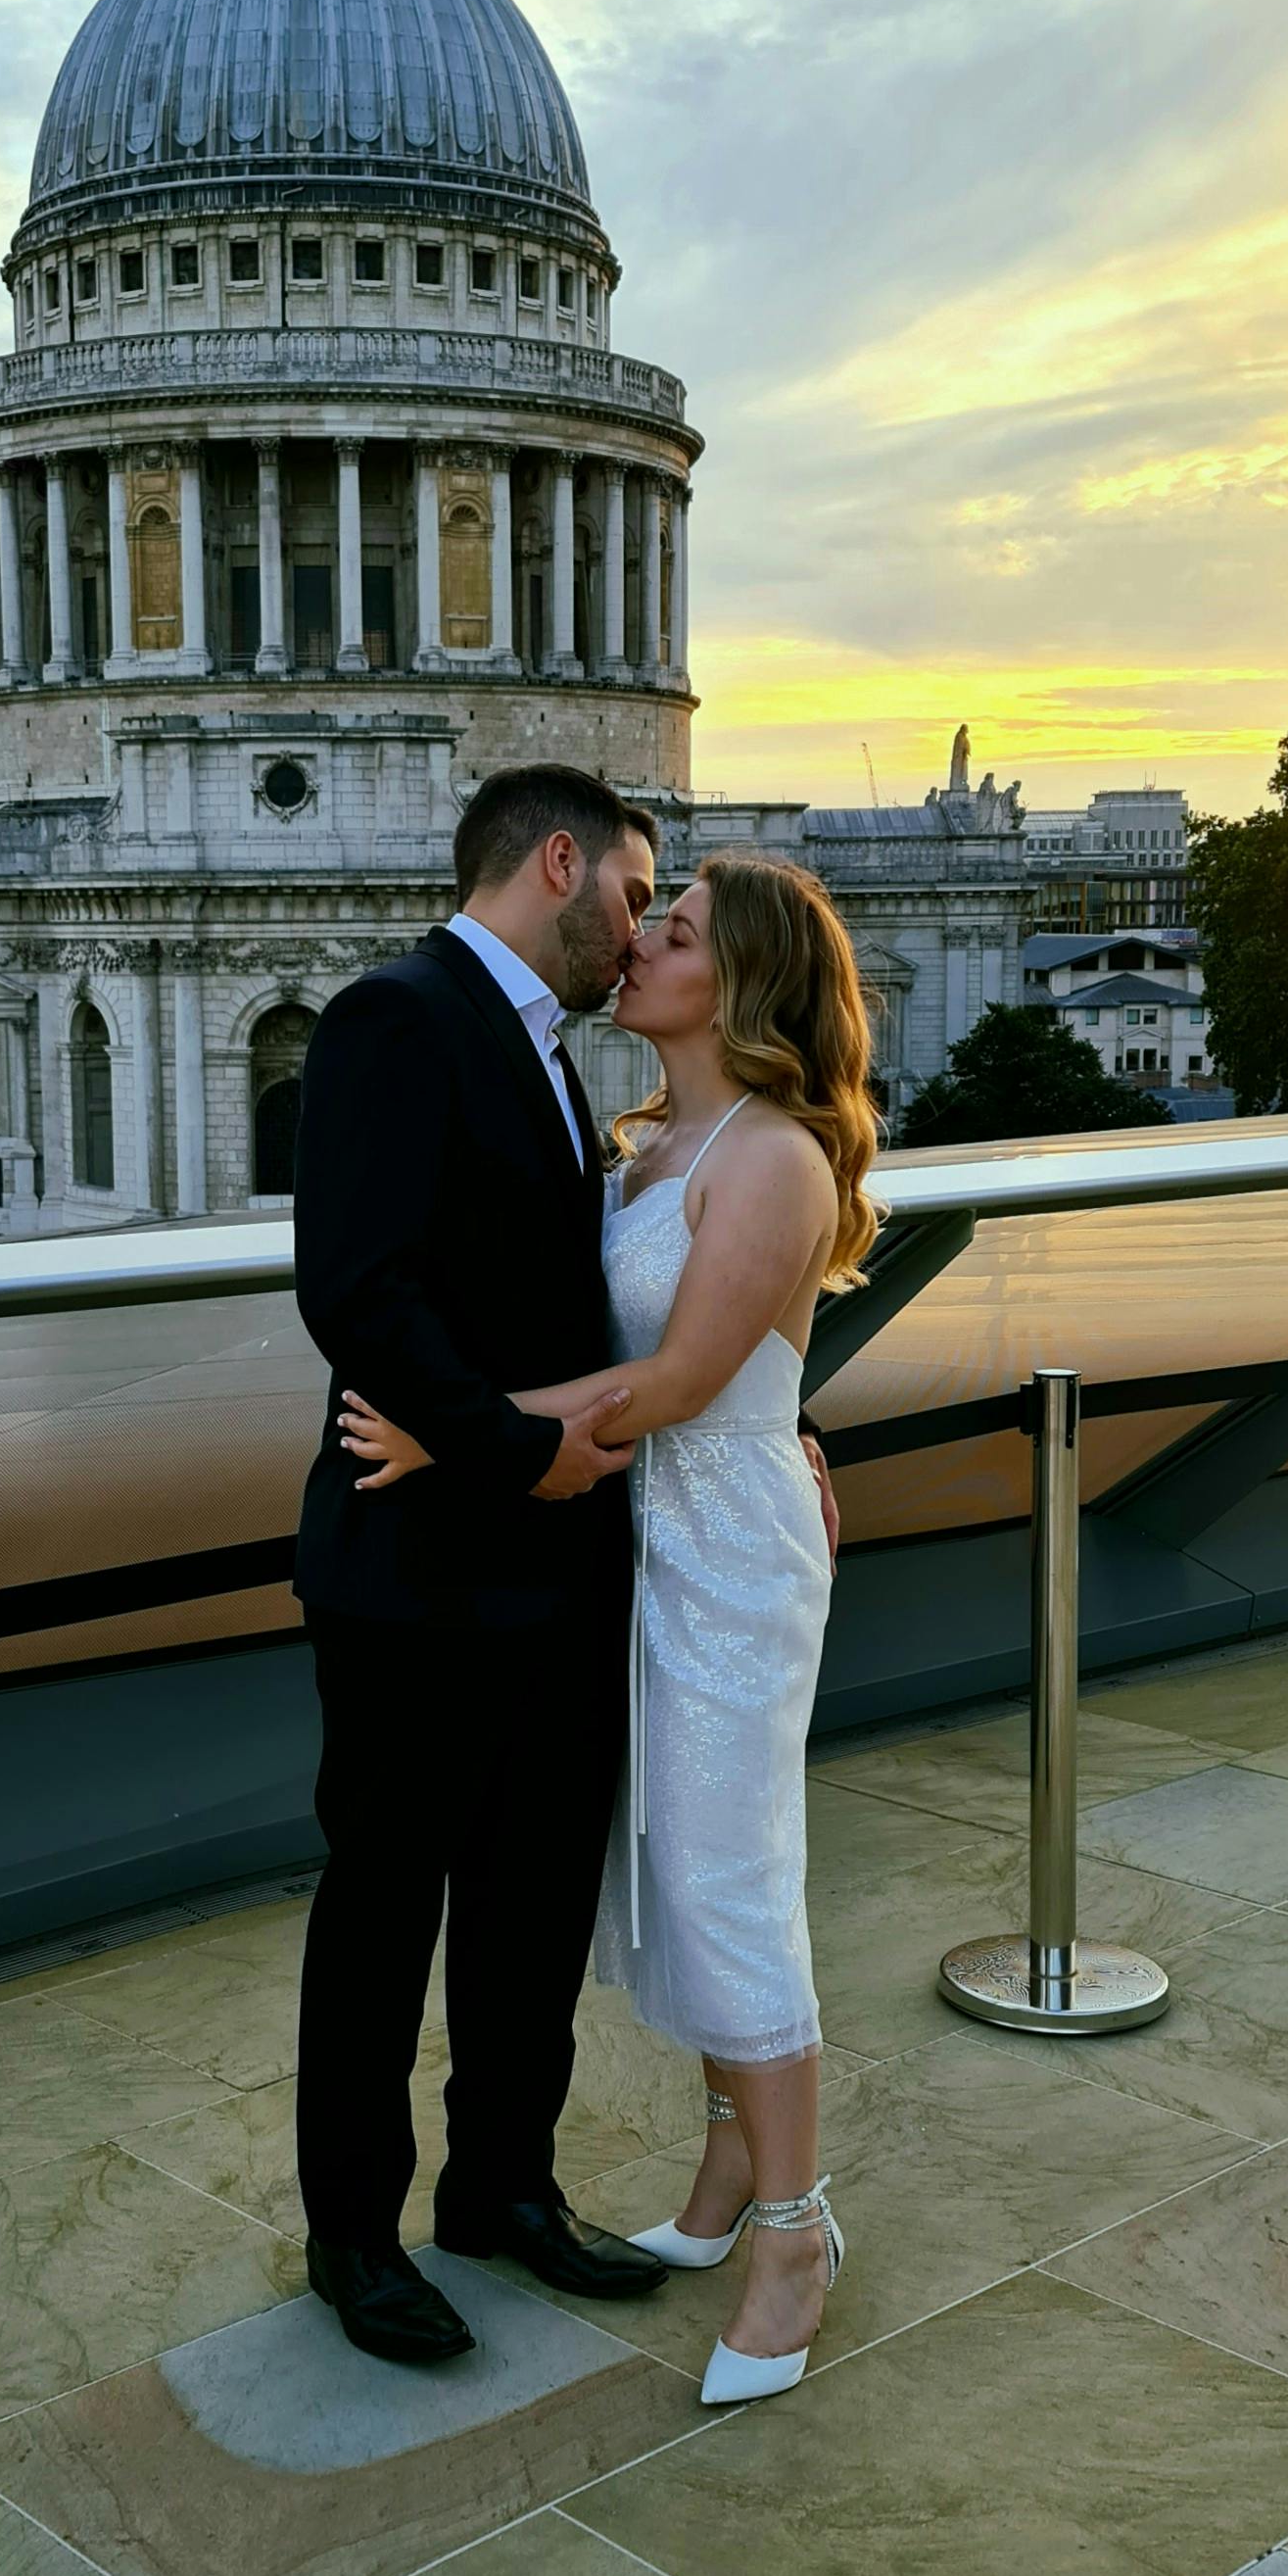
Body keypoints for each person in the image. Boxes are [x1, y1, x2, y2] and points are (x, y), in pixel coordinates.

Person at [342, 851, 877, 2406]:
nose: (639, 942)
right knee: (668, 1873)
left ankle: (794, 2234)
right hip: (646, 1539)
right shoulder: (646, 1139)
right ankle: (726, 2173)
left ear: (747, 983)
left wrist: (459, 1430)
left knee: (728, 1877)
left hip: (718, 1547)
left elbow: (680, 1383)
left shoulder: (767, 1153)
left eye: (681, 931)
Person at [289, 762, 674, 2367]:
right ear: (561, 865)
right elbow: (358, 1293)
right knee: (383, 1913)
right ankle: (354, 2239)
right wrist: (523, 1452)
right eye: (637, 898)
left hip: (549, 1560)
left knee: (528, 1909)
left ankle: (501, 2186)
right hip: (421, 1565)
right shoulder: (398, 1015)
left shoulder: (535, 1047)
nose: (639, 934)